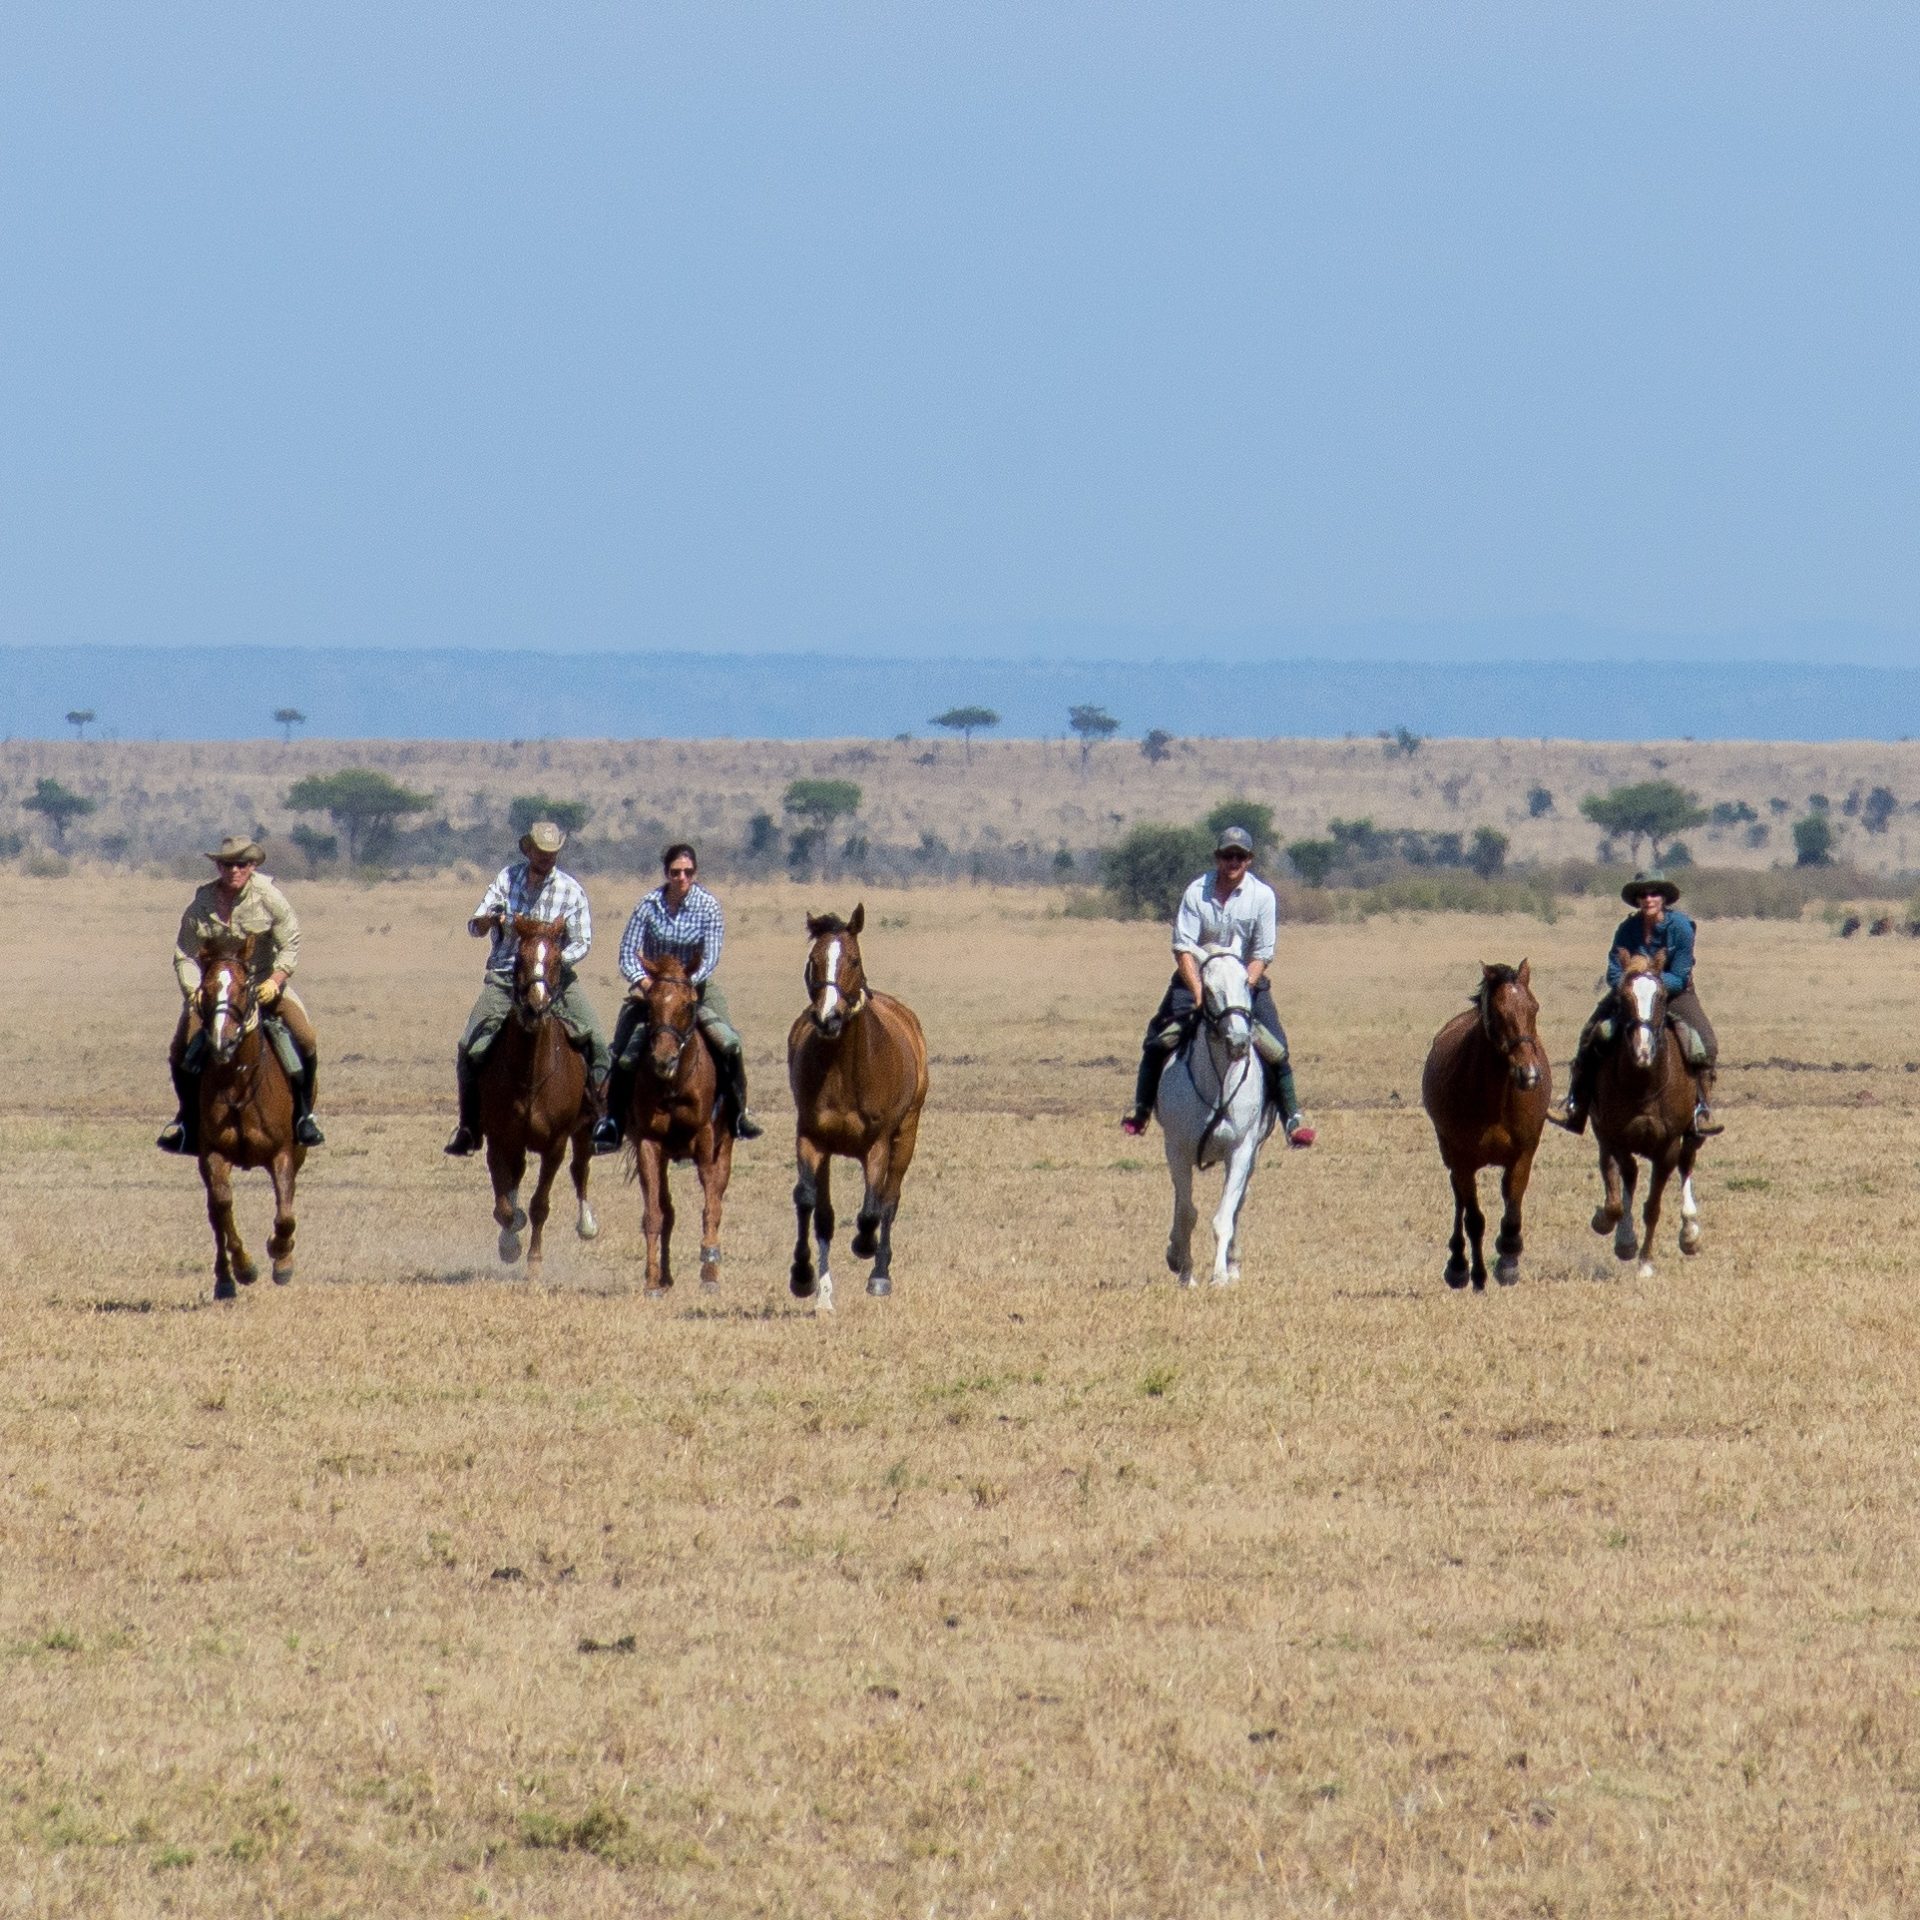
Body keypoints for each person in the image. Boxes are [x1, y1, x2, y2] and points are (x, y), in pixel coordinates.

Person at [1120, 826, 1315, 1146]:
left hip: (1244, 983)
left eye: (1240, 855)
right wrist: (1199, 992)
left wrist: (1241, 989)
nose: (1233, 861)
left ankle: (1292, 1119)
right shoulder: (1197, 891)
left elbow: (1262, 953)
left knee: (1276, 1048)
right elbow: (1183, 948)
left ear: (1249, 860)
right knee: (1158, 1040)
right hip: (1195, 980)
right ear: (1217, 858)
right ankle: (1141, 1111)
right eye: (1227, 855)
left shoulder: (1262, 896)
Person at [444, 820, 612, 1156]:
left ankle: (600, 1119)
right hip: (506, 977)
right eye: (541, 852)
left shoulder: (571, 891)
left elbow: (582, 942)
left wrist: (553, 961)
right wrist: (490, 920)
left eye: (553, 853)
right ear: (529, 850)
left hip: (556, 979)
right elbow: (475, 925)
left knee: (596, 1040)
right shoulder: (507, 880)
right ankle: (470, 1126)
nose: (547, 858)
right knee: (469, 1047)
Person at [158, 835, 325, 1152]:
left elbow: (290, 942)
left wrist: (276, 980)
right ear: (218, 867)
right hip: (214, 992)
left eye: (240, 864)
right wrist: (193, 991)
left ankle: (305, 1116)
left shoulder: (269, 897)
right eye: (226, 864)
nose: (233, 870)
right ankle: (187, 1121)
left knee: (305, 1038)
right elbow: (185, 953)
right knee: (182, 1047)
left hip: (263, 985)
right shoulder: (202, 904)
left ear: (251, 867)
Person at [593, 841, 763, 1149]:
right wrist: (645, 984)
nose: (682, 878)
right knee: (623, 1051)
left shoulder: (708, 906)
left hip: (696, 989)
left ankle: (738, 1113)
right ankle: (613, 1122)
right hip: (652, 992)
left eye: (688, 872)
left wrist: (685, 986)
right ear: (666, 874)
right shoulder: (648, 905)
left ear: (695, 873)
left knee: (729, 1043)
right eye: (675, 872)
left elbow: (710, 957)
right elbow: (628, 953)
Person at [1548, 869, 1722, 1137]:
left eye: (1653, 893)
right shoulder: (1626, 929)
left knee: (1705, 1042)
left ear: (1664, 898)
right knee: (1591, 1035)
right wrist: (1628, 987)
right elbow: (1613, 971)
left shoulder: (1682, 928)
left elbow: (1679, 973)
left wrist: (1652, 983)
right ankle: (1576, 1105)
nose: (1648, 898)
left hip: (1674, 993)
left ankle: (1702, 1110)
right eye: (1642, 894)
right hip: (1630, 993)